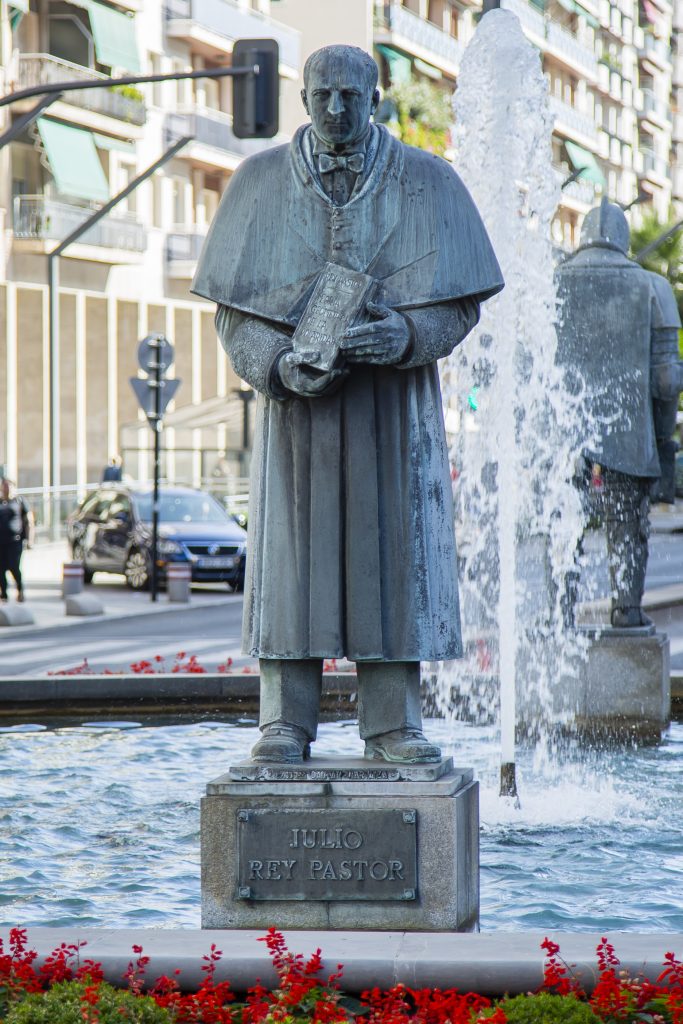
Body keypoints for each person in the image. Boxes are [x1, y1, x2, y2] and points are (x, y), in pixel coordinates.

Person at [193, 45, 503, 764]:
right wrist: (272, 364)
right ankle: (284, 723)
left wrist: (404, 334)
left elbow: (458, 307)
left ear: (376, 98)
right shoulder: (257, 181)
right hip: (295, 415)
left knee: (393, 561)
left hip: (394, 413)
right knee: (288, 567)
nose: (336, 110)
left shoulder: (429, 183)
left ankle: (393, 724)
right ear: (303, 98)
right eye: (323, 95)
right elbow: (233, 318)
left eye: (350, 97)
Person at [555, 199, 683, 629]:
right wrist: (664, 440)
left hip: (561, 432)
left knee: (562, 523)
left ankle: (559, 614)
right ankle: (626, 610)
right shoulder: (652, 287)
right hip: (629, 432)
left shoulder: (549, 283)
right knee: (627, 526)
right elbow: (666, 382)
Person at [0, 478, 32, 603]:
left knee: (14, 566)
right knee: (1, 568)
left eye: (8, 486)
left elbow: (29, 521)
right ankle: (4, 593)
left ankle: (20, 590)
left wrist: (30, 540)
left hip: (15, 541)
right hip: (1, 541)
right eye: (4, 486)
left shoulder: (19, 501)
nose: (6, 489)